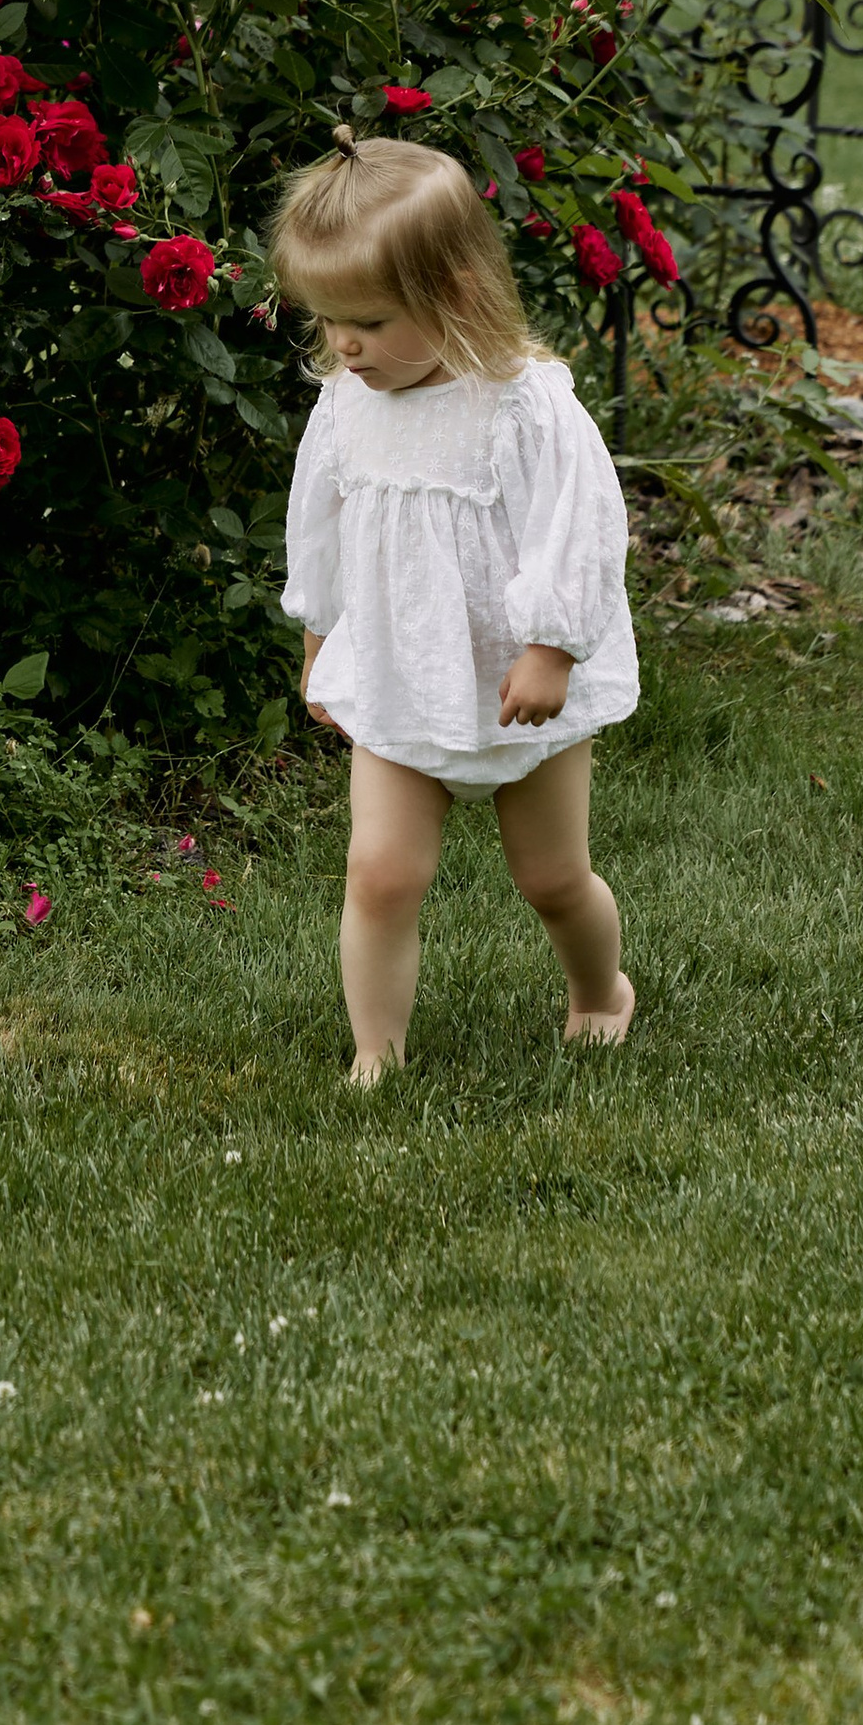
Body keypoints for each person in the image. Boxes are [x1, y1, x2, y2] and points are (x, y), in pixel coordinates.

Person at [272, 127, 641, 1083]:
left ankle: (601, 990)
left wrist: (553, 646)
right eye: (328, 320)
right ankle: (375, 1055)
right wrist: (321, 636)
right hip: (402, 674)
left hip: (521, 687)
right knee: (382, 874)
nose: (346, 344)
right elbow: (323, 524)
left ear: (458, 295)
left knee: (552, 878)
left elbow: (580, 526)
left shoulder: (523, 406)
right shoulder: (346, 400)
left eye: (373, 320)